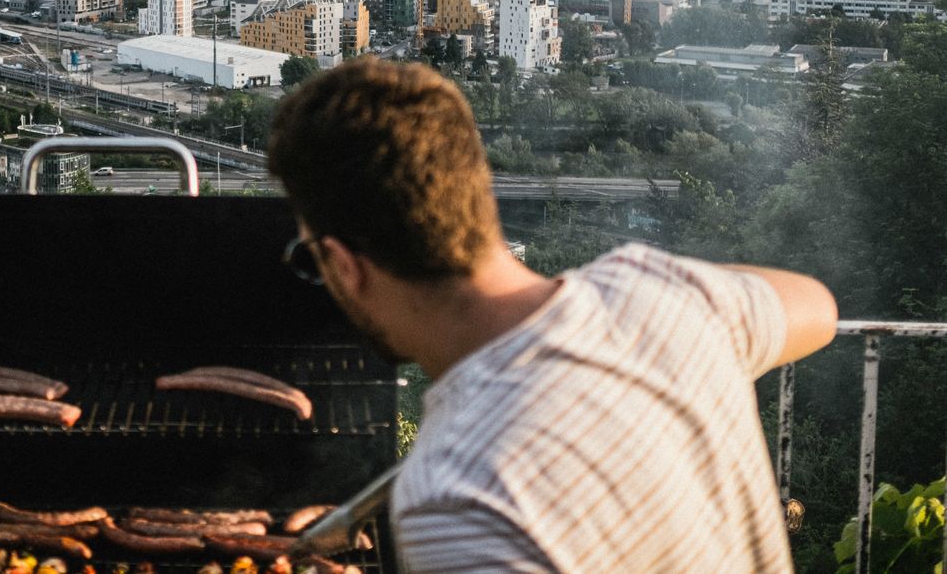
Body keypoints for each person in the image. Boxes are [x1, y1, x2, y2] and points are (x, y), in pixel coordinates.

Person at [267, 58, 836, 573]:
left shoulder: (456, 494)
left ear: (342, 265)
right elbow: (819, 307)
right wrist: (679, 292)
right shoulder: (669, 297)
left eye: (309, 259)